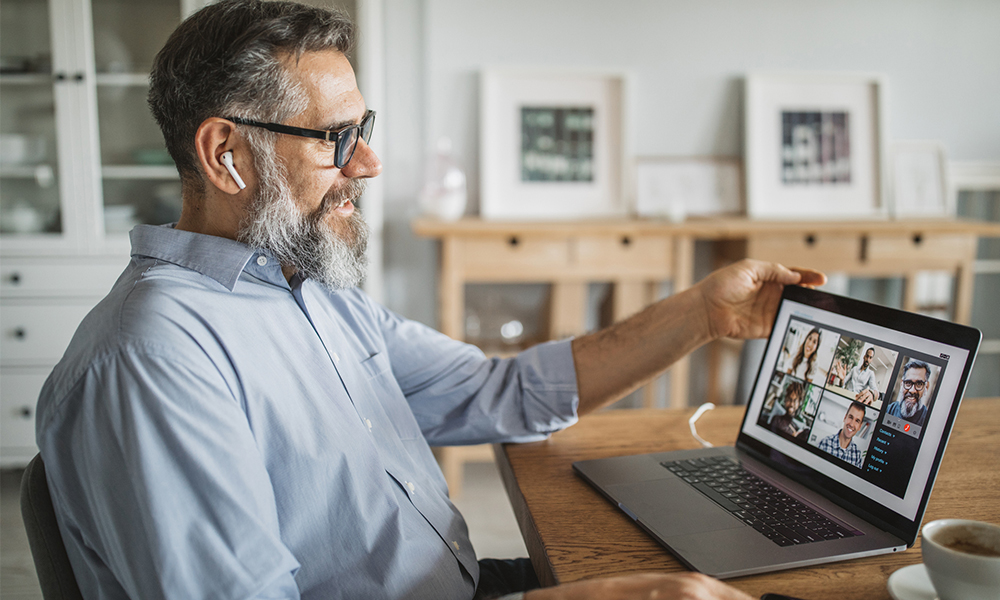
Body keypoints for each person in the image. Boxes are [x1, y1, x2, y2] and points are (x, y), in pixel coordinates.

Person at [33, 2, 823, 599]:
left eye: (363, 127)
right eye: (337, 138)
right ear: (226, 154)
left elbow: (499, 392)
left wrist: (699, 313)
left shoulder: (306, 290)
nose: (369, 163)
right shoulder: (155, 358)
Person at [817, 401, 867, 469]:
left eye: (857, 421)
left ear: (860, 426)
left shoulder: (857, 455)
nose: (852, 424)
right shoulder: (825, 443)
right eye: (850, 417)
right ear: (845, 417)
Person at [885, 360, 932, 427]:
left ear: (926, 387)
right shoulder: (888, 410)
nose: (912, 390)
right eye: (908, 383)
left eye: (919, 384)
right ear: (902, 384)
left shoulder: (928, 422)